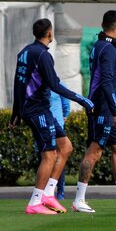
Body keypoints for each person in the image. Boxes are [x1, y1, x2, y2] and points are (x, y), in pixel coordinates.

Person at [9, 18, 94, 215]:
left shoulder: (25, 52)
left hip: (39, 109)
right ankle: (34, 202)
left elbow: (17, 83)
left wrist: (15, 112)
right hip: (37, 110)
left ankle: (48, 194)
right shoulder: (42, 56)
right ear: (49, 33)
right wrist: (83, 100)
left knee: (66, 147)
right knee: (49, 155)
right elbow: (55, 85)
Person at [72, 10, 116, 213]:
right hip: (103, 110)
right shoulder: (108, 49)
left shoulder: (100, 45)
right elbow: (105, 83)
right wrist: (115, 110)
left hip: (107, 106)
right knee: (94, 152)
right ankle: (79, 199)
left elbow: (109, 82)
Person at [49, 85, 71, 200]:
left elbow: (66, 103)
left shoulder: (58, 84)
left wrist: (65, 115)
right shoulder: (37, 84)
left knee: (59, 157)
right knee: (46, 159)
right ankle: (47, 192)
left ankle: (60, 192)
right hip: (44, 125)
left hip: (57, 126)